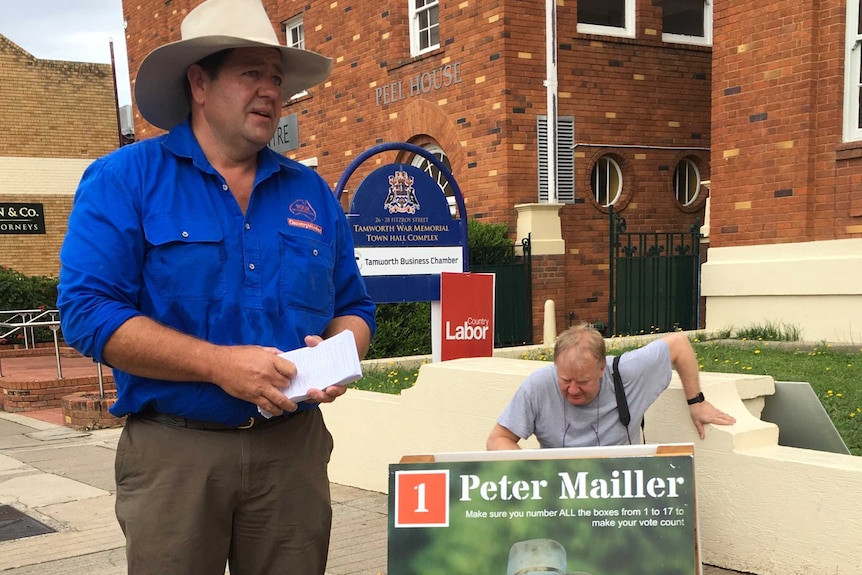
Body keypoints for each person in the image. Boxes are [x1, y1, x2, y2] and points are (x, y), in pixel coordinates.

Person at [57, 0, 375, 573]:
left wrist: (338, 356)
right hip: (176, 456)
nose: (270, 91)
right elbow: (85, 312)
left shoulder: (312, 193)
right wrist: (218, 365)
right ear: (199, 82)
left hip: (292, 453)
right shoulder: (125, 180)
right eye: (251, 73)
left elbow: (353, 306)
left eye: (276, 78)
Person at [487, 324, 736, 450]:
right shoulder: (538, 385)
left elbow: (679, 345)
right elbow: (498, 439)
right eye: (564, 380)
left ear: (601, 368)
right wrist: (532, 470)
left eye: (583, 382)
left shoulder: (627, 371)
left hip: (622, 494)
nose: (573, 390)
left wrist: (697, 402)